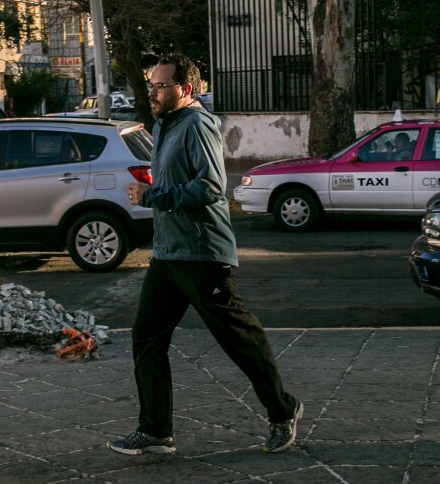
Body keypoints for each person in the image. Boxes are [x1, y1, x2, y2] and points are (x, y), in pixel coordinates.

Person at [107, 54, 302, 456]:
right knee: (146, 338)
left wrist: (155, 195)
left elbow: (212, 187)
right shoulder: (164, 125)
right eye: (152, 85)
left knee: (238, 340)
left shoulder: (198, 124)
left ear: (187, 89)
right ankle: (156, 431)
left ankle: (283, 410)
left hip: (201, 254)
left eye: (161, 86)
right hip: (168, 255)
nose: (153, 92)